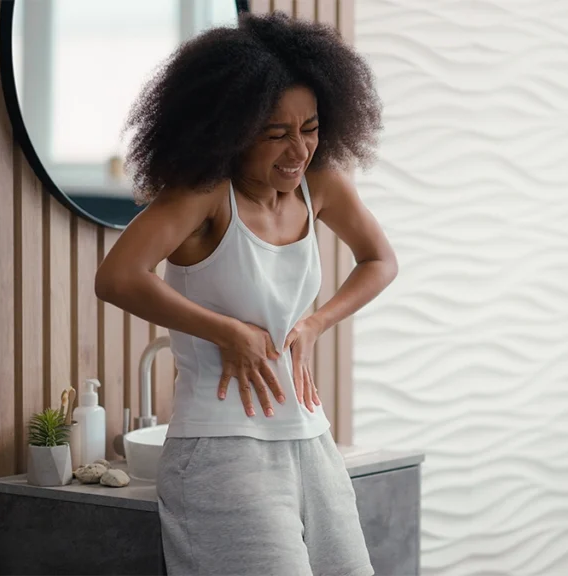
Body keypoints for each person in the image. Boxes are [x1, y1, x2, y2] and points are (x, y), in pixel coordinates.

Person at [94, 10, 395, 576]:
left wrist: (317, 322)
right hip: (221, 447)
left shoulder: (319, 187)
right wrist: (225, 331)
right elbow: (117, 277)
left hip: (311, 438)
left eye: (309, 129)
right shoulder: (205, 196)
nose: (298, 150)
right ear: (231, 129)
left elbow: (380, 260)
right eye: (276, 133)